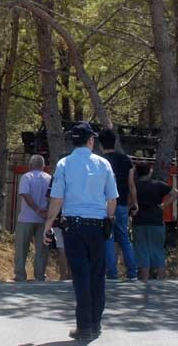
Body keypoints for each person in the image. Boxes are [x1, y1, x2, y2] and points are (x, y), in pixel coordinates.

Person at [43, 121, 118, 342]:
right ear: (91, 140)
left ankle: (83, 326)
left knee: (80, 276)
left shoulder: (64, 164)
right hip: (97, 225)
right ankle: (95, 323)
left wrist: (48, 224)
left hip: (73, 226)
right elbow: (112, 199)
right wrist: (109, 219)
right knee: (97, 275)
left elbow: (57, 198)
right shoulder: (104, 164)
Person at [99, 128, 138, 281]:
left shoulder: (100, 161)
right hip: (122, 203)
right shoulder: (125, 159)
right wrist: (134, 203)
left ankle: (112, 273)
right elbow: (131, 184)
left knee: (108, 237)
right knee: (124, 238)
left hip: (105, 204)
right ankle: (132, 272)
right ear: (115, 143)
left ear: (100, 145)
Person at [132, 162, 178, 280]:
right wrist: (164, 205)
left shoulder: (134, 186)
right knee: (158, 249)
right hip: (156, 220)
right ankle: (161, 279)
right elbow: (175, 193)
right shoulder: (158, 184)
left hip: (139, 220)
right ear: (150, 171)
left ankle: (145, 280)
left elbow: (130, 202)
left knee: (142, 250)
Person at [14, 155, 51, 281]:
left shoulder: (26, 177)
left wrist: (36, 209)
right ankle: (40, 275)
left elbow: (25, 194)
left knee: (21, 248)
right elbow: (52, 197)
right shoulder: (49, 178)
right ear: (43, 166)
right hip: (44, 219)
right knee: (42, 249)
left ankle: (20, 275)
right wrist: (47, 212)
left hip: (26, 218)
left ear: (30, 165)